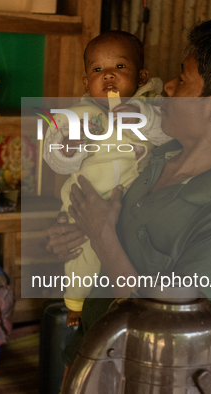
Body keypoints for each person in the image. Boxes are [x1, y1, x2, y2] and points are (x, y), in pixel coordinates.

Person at [44, 18, 211, 369]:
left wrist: (102, 237)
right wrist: (74, 231)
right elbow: (99, 215)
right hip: (86, 356)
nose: (169, 87)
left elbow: (170, 335)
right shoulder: (151, 155)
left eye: (184, 79)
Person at [42, 30, 171, 327]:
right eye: (98, 70)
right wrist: (67, 147)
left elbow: (166, 132)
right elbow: (55, 159)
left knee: (123, 252)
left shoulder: (150, 107)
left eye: (120, 68)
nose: (109, 77)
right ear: (86, 82)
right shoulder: (76, 117)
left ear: (141, 77)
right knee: (80, 255)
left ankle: (119, 311)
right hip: (85, 201)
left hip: (131, 200)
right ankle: (75, 304)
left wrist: (142, 117)